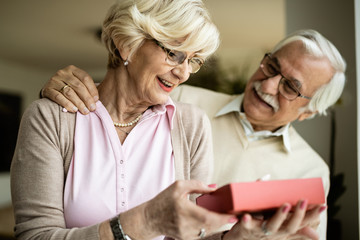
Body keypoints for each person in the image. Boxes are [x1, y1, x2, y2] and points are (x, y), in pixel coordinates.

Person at [11, 0, 322, 239]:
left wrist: (237, 236)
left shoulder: (191, 124)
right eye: (174, 53)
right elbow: (36, 235)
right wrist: (144, 222)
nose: (184, 72)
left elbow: (196, 235)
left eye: (195, 60)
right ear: (125, 43)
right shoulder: (51, 118)